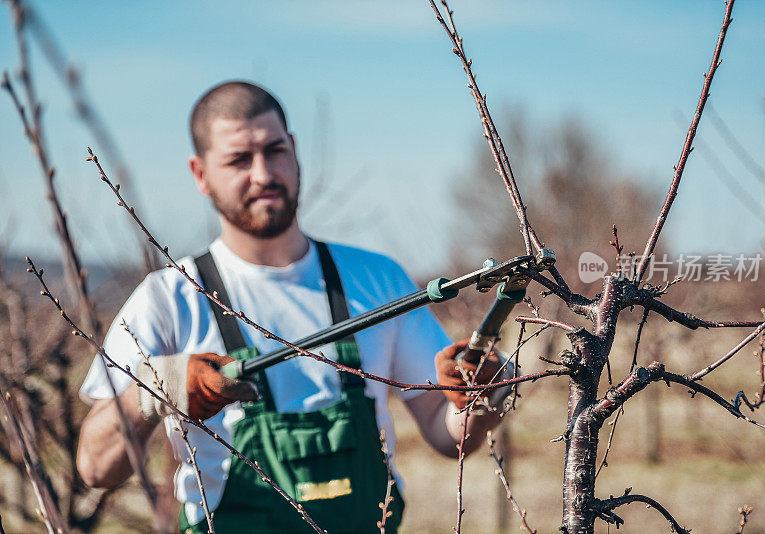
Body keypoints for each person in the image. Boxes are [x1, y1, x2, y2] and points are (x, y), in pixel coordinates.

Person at [76, 81, 507, 533]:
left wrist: (478, 401)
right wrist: (156, 387)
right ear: (200, 174)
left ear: (295, 151)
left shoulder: (377, 280)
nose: (263, 173)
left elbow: (446, 433)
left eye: (275, 150)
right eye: (239, 159)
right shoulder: (167, 300)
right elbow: (94, 467)